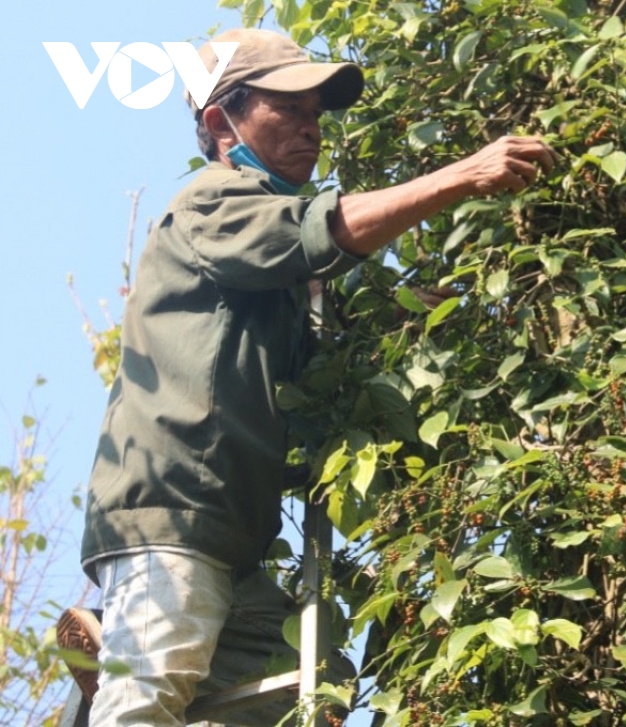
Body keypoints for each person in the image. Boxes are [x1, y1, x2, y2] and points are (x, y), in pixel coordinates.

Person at [57, 27, 555, 726]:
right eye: (285, 108)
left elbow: (335, 347)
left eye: (315, 113)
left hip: (235, 531)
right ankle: (122, 668)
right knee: (149, 694)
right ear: (219, 122)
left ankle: (114, 652)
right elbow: (320, 229)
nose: (308, 127)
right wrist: (461, 174)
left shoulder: (280, 273)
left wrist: (426, 315)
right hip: (176, 510)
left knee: (310, 683)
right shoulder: (213, 203)